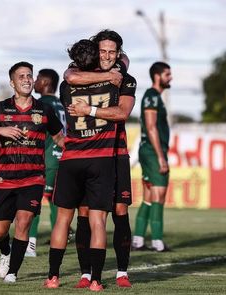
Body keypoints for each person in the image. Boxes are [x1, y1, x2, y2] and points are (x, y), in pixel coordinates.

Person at [44, 39, 124, 291]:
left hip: (71, 158)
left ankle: (53, 278)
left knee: (62, 221)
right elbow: (123, 62)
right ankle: (97, 281)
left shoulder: (68, 84)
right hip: (101, 159)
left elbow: (72, 75)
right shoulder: (113, 79)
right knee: (98, 222)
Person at [0, 61, 64, 283]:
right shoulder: (0, 108)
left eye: (29, 75)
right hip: (5, 179)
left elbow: (59, 138)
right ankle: (5, 252)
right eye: (21, 76)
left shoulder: (45, 109)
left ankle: (13, 272)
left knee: (24, 221)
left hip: (33, 178)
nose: (26, 79)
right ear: (12, 83)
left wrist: (81, 148)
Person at [65, 29, 136, 288]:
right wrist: (108, 75)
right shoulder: (85, 71)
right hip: (88, 153)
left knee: (120, 210)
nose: (107, 56)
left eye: (112, 52)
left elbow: (122, 113)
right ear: (96, 51)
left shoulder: (126, 78)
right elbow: (68, 75)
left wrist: (91, 109)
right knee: (84, 212)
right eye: (102, 51)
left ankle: (121, 272)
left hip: (116, 154)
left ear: (118, 53)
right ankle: (86, 273)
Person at [25, 69, 66, 257]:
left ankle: (30, 244)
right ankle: (60, 242)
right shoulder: (61, 104)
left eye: (39, 78)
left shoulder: (42, 104)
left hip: (46, 158)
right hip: (61, 158)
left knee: (33, 198)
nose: (35, 81)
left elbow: (34, 131)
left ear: (47, 82)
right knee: (54, 201)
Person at [131, 61, 172, 252]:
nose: (170, 78)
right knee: (159, 194)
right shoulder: (152, 97)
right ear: (157, 76)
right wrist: (161, 156)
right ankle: (157, 242)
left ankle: (138, 240)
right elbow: (151, 126)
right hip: (153, 151)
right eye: (167, 74)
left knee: (149, 195)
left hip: (148, 150)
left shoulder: (153, 97)